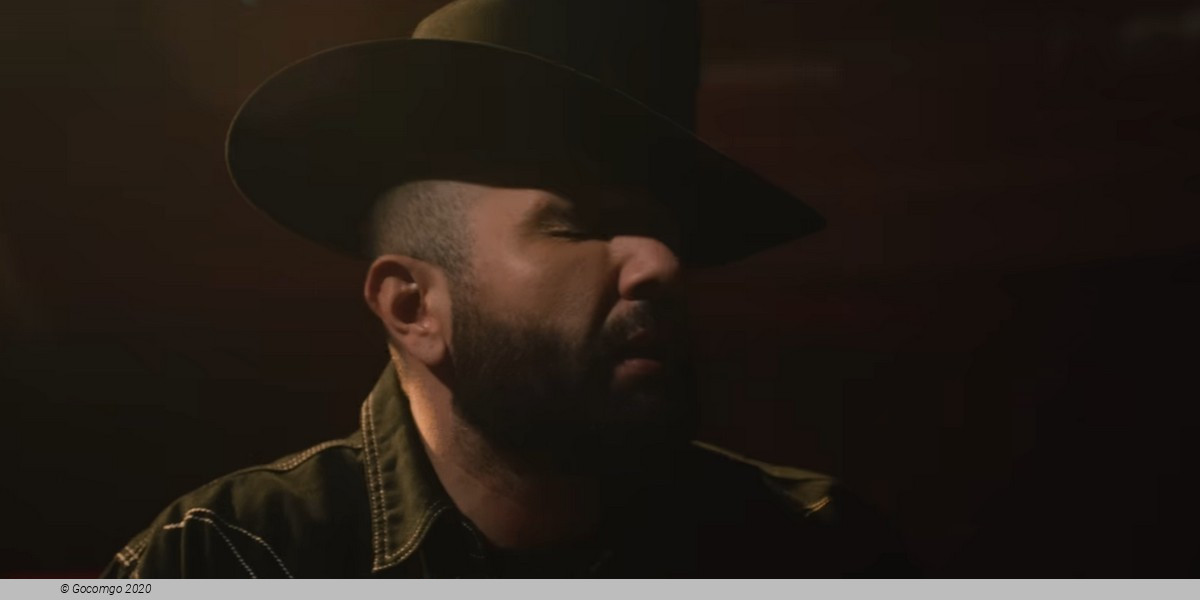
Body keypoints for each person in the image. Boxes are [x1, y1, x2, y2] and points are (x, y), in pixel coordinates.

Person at [102, 0, 908, 578]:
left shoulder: (816, 550)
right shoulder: (228, 559)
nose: (660, 264)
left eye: (665, 232)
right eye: (579, 227)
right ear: (413, 308)